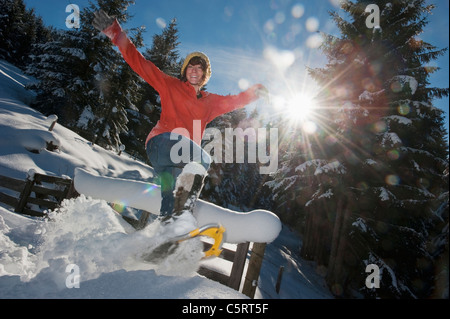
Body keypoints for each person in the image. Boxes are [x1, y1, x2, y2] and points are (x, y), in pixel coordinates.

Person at [93, 10, 267, 230]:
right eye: (191, 68)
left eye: (199, 69)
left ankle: (164, 238)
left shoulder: (209, 102)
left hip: (175, 160)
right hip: (161, 143)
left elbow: (234, 101)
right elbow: (140, 63)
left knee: (170, 199)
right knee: (201, 160)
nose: (194, 71)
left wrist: (254, 93)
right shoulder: (170, 85)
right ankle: (183, 217)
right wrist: (115, 32)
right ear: (185, 72)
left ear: (205, 75)